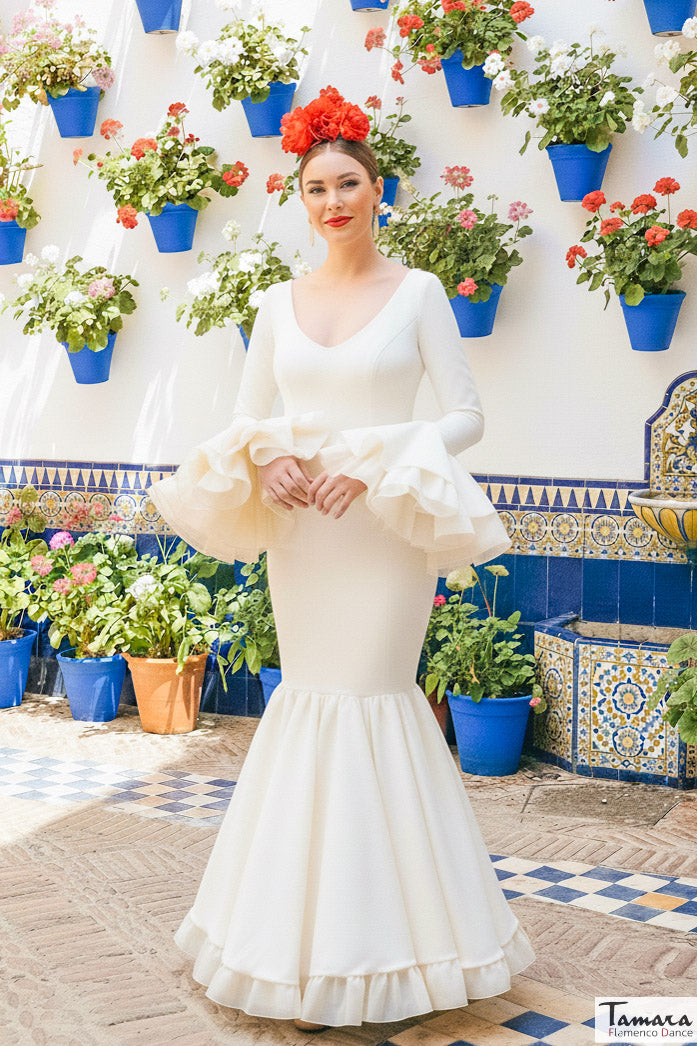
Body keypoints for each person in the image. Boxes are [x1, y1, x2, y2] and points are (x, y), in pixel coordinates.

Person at [147, 86, 535, 1033]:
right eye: (316, 188)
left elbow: (465, 413)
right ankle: (287, 941)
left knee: (373, 699)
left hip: (380, 530)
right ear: (303, 198)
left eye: (348, 184)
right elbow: (246, 416)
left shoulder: (420, 293)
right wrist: (270, 455)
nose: (333, 202)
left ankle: (402, 943)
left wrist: (376, 462)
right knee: (310, 702)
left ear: (378, 191)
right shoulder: (275, 303)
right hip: (302, 537)